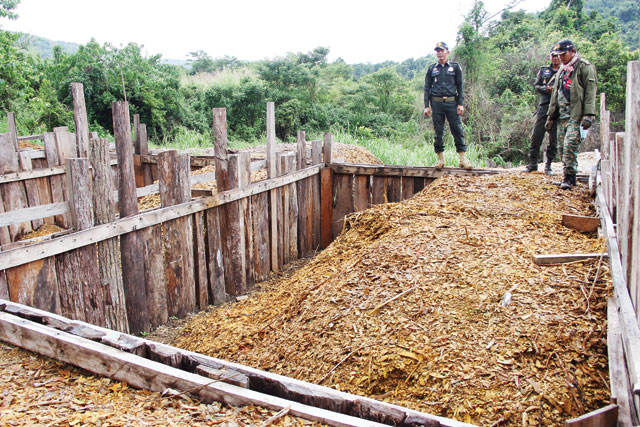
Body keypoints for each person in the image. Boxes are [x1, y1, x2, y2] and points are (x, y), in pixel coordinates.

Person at [545, 39, 597, 190]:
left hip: (576, 116)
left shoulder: (584, 67)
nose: (561, 57)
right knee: (562, 148)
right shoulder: (562, 69)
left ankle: (569, 177)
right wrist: (550, 117)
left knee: (569, 147)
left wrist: (588, 115)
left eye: (563, 54)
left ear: (572, 51)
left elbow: (590, 92)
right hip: (561, 116)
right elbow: (555, 93)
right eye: (559, 55)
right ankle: (567, 177)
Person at [424, 42, 471, 170]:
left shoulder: (455, 67)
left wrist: (460, 103)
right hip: (436, 103)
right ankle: (440, 160)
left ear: (447, 52)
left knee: (457, 129)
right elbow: (427, 87)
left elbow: (460, 86)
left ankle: (462, 159)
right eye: (437, 51)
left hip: (452, 102)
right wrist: (426, 106)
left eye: (442, 50)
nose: (439, 53)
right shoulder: (432, 68)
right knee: (438, 132)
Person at [525, 49, 561, 174]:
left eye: (557, 56)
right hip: (544, 106)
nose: (555, 58)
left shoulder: (565, 71)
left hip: (558, 107)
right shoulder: (544, 70)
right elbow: (536, 86)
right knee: (537, 135)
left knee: (553, 137)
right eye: (553, 56)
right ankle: (532, 163)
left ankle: (549, 165)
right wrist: (545, 89)